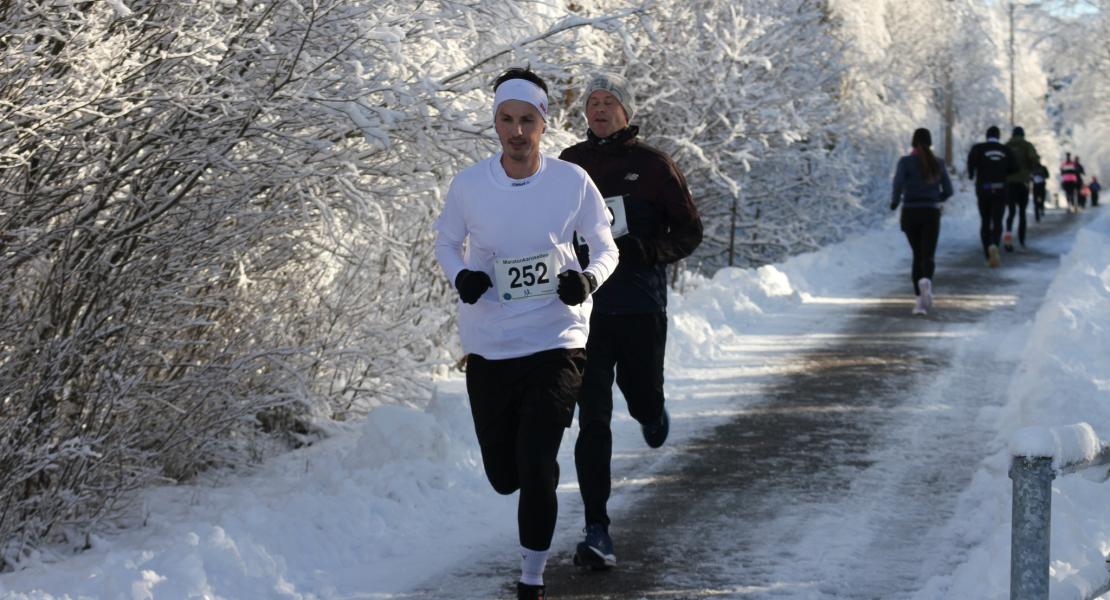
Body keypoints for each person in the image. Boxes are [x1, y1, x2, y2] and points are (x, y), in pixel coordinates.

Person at [433, 67, 620, 600]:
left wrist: (585, 280)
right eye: (507, 120)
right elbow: (447, 243)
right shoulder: (470, 184)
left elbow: (607, 248)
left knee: (538, 461)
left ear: (544, 124)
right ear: (496, 124)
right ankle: (515, 488)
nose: (517, 131)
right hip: (490, 344)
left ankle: (531, 580)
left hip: (557, 340)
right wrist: (462, 276)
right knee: (504, 474)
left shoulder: (571, 182)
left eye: (528, 121)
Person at [557, 72, 703, 570]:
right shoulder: (568, 165)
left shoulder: (654, 166)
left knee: (641, 400)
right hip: (586, 313)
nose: (598, 109)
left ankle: (652, 411)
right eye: (592, 102)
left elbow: (690, 232)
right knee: (592, 420)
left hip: (641, 308)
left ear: (626, 111)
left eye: (608, 101)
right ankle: (596, 529)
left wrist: (649, 249)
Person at [891, 128, 953, 315]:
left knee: (917, 255)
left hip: (910, 212)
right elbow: (949, 190)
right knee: (928, 255)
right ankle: (926, 280)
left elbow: (898, 183)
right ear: (930, 141)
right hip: (931, 212)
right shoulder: (938, 163)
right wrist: (936, 198)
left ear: (913, 142)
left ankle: (919, 301)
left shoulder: (905, 162)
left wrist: (895, 201)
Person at [967, 126, 1017, 267]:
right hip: (1001, 189)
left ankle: (987, 252)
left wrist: (972, 174)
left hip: (984, 188)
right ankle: (995, 243)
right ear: (999, 136)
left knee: (985, 220)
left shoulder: (978, 148)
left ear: (986, 136)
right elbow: (1015, 167)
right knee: (997, 220)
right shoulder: (1006, 150)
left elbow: (971, 163)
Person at [1004, 126, 1041, 251]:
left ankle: (1008, 237)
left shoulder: (1006, 146)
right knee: (1022, 213)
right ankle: (1021, 240)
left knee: (1011, 212)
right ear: (1023, 134)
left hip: (1009, 183)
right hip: (1023, 183)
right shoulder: (1027, 145)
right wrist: (1030, 170)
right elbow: (1034, 159)